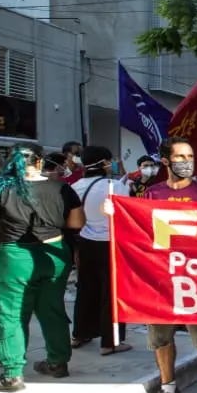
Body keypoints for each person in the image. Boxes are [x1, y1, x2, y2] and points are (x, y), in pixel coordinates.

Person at [0, 142, 84, 392]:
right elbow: (76, 222)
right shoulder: (61, 187)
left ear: (9, 162)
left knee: (11, 314)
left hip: (17, 256)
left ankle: (12, 374)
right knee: (52, 309)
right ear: (40, 162)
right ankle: (58, 363)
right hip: (55, 253)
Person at [136, 137, 197, 393]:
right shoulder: (152, 194)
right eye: (180, 157)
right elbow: (142, 230)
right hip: (161, 276)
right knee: (160, 336)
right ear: (166, 161)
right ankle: (168, 388)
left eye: (190, 156)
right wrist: (113, 215)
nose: (187, 162)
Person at [70, 145, 131, 356]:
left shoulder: (76, 186)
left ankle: (79, 334)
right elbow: (127, 212)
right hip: (112, 244)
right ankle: (110, 341)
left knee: (85, 289)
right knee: (112, 293)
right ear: (105, 162)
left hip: (86, 243)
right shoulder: (114, 186)